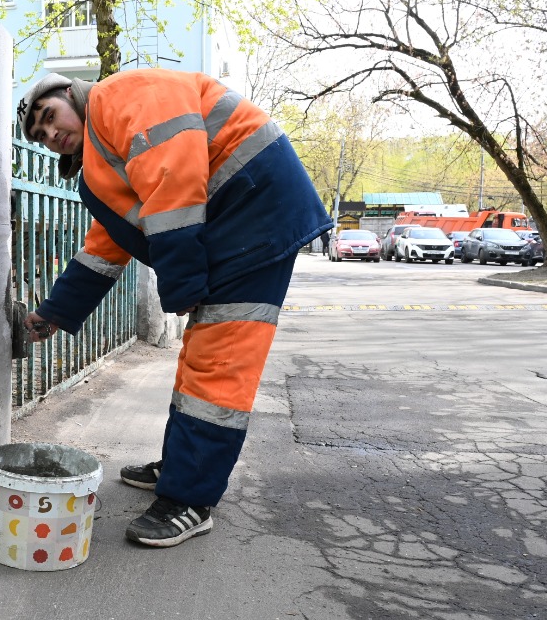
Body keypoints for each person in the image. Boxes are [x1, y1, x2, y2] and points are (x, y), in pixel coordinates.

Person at [17, 70, 331, 548]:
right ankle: (183, 465)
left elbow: (173, 181)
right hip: (235, 227)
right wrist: (54, 314)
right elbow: (106, 247)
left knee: (219, 366)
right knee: (198, 360)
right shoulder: (102, 157)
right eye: (41, 137)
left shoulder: (121, 98)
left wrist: (181, 284)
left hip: (256, 220)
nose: (51, 134)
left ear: (70, 93)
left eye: (50, 117)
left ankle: (191, 500)